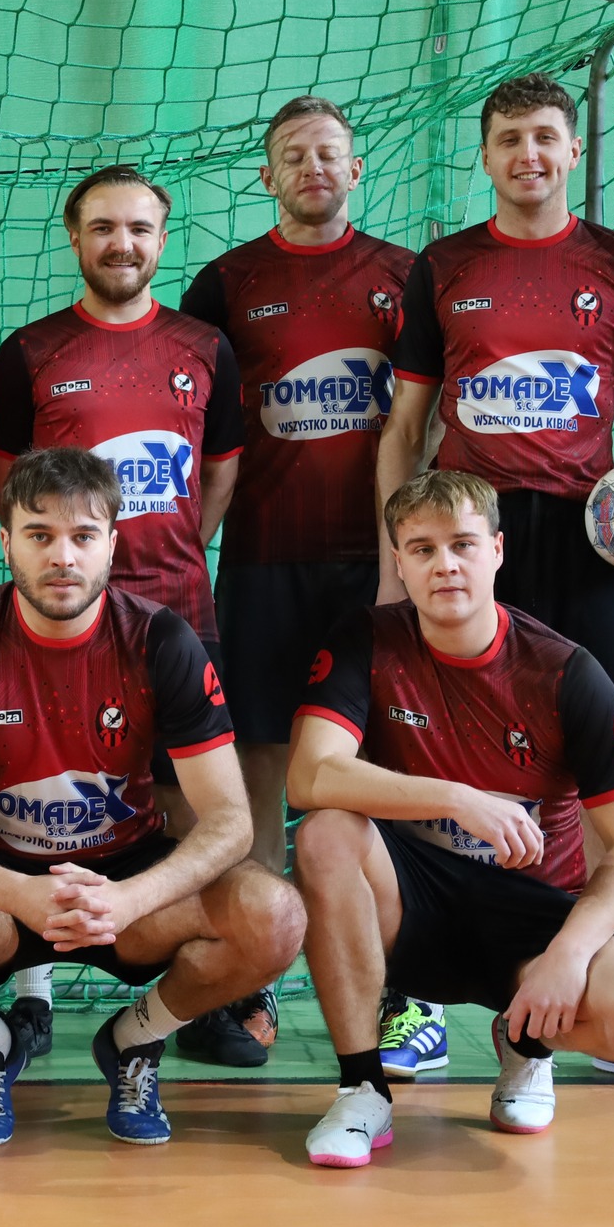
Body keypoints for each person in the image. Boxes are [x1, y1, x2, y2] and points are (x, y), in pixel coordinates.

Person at [377, 73, 614, 1084]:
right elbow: (404, 428)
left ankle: (598, 986)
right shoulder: (444, 266)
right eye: (507, 139)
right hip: (468, 543)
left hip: (585, 545)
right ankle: (413, 997)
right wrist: (395, 563)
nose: (526, 154)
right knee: (424, 749)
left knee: (600, 769)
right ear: (484, 156)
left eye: (542, 136)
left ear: (572, 150)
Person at [0, 447, 303, 1147]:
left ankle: (134, 1041)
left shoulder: (162, 639)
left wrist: (131, 899)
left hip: (123, 888)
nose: (62, 556)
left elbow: (230, 820)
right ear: (6, 543)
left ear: (112, 545)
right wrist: (17, 892)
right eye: (39, 535)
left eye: (83, 536)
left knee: (274, 915)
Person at [290, 470, 614, 1167]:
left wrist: (570, 953)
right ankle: (361, 1090)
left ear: (497, 550)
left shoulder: (567, 672)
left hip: (536, 916)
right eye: (423, 549)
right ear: (399, 561)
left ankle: (526, 1042)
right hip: (414, 904)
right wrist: (457, 797)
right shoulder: (367, 639)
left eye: (463, 544)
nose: (445, 564)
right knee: (325, 834)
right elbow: (310, 775)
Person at [177, 94, 417, 1068]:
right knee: (260, 774)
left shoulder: (407, 277)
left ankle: (403, 991)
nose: (312, 167)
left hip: (380, 571)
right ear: (265, 175)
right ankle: (250, 977)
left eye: (328, 153)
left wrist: (410, 560)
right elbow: (192, 429)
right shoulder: (224, 284)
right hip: (263, 563)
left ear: (354, 170)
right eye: (292, 154)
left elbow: (431, 421)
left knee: (385, 774)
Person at [0, 165, 245, 1053]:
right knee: (48, 782)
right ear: (75, 238)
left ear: (162, 240)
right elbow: (9, 483)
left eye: (138, 228)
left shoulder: (205, 346)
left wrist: (163, 557)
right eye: (102, 227)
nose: (121, 243)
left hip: (178, 610)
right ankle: (32, 987)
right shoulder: (30, 350)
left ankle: (184, 994)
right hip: (57, 622)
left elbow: (219, 473)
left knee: (184, 801)